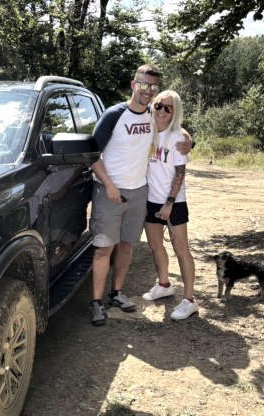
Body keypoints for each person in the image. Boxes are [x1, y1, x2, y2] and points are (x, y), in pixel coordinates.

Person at [89, 64, 190, 326]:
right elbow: (90, 155)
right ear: (134, 84)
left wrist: (191, 141)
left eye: (153, 87)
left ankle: (117, 293)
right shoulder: (114, 114)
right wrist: (109, 184)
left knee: (126, 245)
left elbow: (175, 132)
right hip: (110, 191)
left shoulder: (152, 115)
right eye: (143, 85)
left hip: (139, 192)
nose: (148, 91)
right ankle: (97, 303)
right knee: (103, 248)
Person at [142, 90, 198, 320]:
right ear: (152, 106)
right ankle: (164, 284)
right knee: (155, 246)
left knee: (181, 249)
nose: (162, 111)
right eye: (159, 106)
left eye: (168, 108)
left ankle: (189, 300)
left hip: (173, 202)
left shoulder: (178, 137)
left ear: (175, 111)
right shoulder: (146, 131)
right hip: (150, 199)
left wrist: (169, 203)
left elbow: (180, 173)